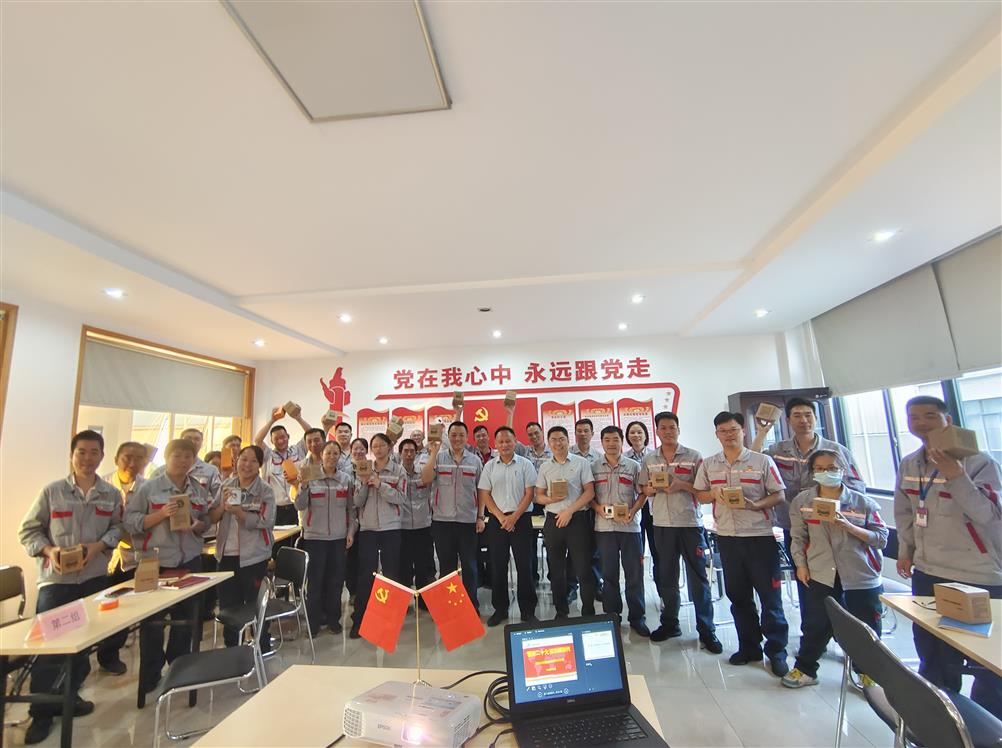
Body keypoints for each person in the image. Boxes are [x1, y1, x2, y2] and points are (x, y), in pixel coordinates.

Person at [895, 395, 1002, 717]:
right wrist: (906, 550)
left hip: (978, 574)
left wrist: (955, 474)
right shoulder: (910, 463)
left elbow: (989, 516)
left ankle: (988, 726)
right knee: (933, 652)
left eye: (930, 416)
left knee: (987, 659)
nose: (921, 423)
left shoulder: (979, 462)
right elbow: (905, 512)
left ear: (948, 420)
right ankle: (937, 719)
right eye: (914, 418)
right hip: (928, 571)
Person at [17, 430, 122, 745]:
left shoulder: (110, 494)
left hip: (93, 580)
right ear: (72, 455)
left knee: (82, 645)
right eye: (81, 452)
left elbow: (118, 527)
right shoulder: (53, 491)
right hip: (57, 583)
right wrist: (50, 551)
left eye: (94, 452)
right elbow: (29, 531)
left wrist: (99, 545)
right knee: (50, 648)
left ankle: (70, 697)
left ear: (102, 456)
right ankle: (41, 713)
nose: (87, 458)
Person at [694, 411, 789, 677]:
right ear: (717, 434)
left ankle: (777, 651)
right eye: (723, 431)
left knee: (770, 598)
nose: (729, 435)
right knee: (738, 596)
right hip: (727, 537)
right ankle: (749, 647)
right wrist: (713, 493)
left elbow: (779, 494)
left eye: (733, 429)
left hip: (759, 537)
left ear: (743, 431)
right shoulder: (709, 464)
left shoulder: (761, 461)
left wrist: (756, 505)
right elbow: (700, 495)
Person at [784, 450, 888, 688]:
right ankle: (805, 669)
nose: (826, 472)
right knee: (816, 624)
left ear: (842, 470)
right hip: (821, 572)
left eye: (831, 468)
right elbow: (798, 537)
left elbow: (881, 539)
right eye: (819, 468)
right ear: (812, 472)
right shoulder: (803, 502)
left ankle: (868, 672)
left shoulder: (862, 502)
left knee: (866, 627)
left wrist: (849, 526)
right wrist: (800, 565)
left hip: (860, 574)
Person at [764, 398, 865, 636]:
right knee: (805, 580)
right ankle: (813, 635)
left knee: (837, 582)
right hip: (795, 527)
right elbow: (756, 460)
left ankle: (842, 635)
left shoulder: (835, 451)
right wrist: (761, 431)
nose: (803, 420)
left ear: (815, 417)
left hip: (833, 527)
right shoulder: (778, 450)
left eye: (808, 414)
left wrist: (835, 505)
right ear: (788, 420)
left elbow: (857, 488)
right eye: (797, 415)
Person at [125, 438, 211, 694]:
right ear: (166, 457)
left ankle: (178, 667)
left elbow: (205, 521)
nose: (183, 461)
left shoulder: (197, 489)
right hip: (156, 562)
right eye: (177, 456)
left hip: (190, 560)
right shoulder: (148, 488)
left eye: (188, 457)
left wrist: (197, 525)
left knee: (186, 620)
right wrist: (161, 514)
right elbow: (130, 522)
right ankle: (151, 674)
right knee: (153, 623)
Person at [638, 412, 721, 651]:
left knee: (698, 579)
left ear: (678, 429)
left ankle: (707, 630)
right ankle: (670, 623)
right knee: (667, 577)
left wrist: (681, 485)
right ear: (657, 431)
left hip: (690, 525)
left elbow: (703, 491)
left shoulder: (694, 456)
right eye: (663, 428)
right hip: (662, 525)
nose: (668, 432)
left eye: (672, 427)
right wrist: (652, 488)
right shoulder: (649, 458)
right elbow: (643, 488)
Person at [208, 445, 276, 650]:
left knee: (255, 602)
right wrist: (223, 507)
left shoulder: (265, 490)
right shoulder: (226, 486)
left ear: (259, 465)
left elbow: (267, 521)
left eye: (253, 461)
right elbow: (212, 517)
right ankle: (232, 647)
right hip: (226, 554)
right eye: (243, 459)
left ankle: (261, 644)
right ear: (236, 461)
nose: (247, 465)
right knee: (228, 604)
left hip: (254, 556)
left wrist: (239, 513)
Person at [420, 421, 484, 613]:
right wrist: (433, 452)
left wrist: (480, 516)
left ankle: (471, 606)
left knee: (470, 566)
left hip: (468, 521)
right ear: (448, 437)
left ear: (467, 438)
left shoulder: (475, 461)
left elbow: (481, 491)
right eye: (453, 435)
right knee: (446, 567)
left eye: (461, 435)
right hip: (442, 522)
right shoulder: (438, 458)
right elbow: (425, 479)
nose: (457, 439)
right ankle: (448, 608)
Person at [591, 426, 649, 636]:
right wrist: (598, 508)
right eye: (607, 439)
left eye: (615, 439)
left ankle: (637, 618)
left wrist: (633, 511)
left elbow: (642, 493)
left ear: (622, 441)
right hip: (604, 528)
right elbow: (588, 495)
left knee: (634, 574)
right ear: (602, 443)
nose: (611, 443)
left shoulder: (633, 466)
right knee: (609, 574)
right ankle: (612, 615)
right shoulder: (593, 467)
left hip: (630, 528)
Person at [97, 440, 149, 675]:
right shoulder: (103, 486)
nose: (132, 462)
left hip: (136, 557)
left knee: (126, 608)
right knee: (102, 607)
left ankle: (110, 654)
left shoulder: (149, 487)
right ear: (116, 459)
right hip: (104, 558)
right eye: (127, 457)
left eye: (139, 458)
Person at [479, 426, 538, 626]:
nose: (504, 444)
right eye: (501, 441)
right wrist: (500, 516)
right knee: (498, 566)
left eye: (508, 441)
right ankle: (500, 609)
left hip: (521, 519)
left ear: (515, 442)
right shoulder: (490, 466)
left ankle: (527, 610)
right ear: (495, 444)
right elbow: (485, 494)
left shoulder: (525, 464)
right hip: (497, 520)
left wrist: (514, 517)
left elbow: (529, 493)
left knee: (524, 566)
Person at [294, 440, 355, 635]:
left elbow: (351, 509)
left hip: (338, 538)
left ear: (340, 457)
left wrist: (350, 532)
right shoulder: (310, 476)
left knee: (336, 581)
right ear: (322, 455)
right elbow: (300, 505)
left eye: (335, 453)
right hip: (315, 538)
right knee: (315, 582)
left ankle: (333, 619)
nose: (332, 457)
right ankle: (313, 623)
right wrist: (303, 486)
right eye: (328, 453)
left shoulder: (346, 479)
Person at [536, 426, 596, 620]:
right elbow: (539, 496)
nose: (558, 443)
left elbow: (589, 492)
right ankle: (561, 611)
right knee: (556, 569)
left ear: (568, 441)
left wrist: (569, 511)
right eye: (553, 439)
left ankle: (588, 611)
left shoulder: (581, 463)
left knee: (583, 568)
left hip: (577, 520)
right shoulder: (545, 467)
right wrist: (551, 499)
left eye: (561, 439)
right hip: (553, 520)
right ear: (549, 443)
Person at [351, 433, 406, 638]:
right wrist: (365, 483)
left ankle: (392, 620)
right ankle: (360, 621)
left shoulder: (399, 470)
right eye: (374, 446)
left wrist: (380, 484)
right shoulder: (363, 468)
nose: (378, 449)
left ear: (389, 447)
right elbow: (357, 502)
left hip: (391, 528)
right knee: (366, 575)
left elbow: (401, 498)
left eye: (381, 445)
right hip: (368, 530)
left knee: (391, 575)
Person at [254, 404, 313, 525]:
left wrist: (298, 418)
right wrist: (272, 420)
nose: (280, 441)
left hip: (296, 505)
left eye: (283, 437)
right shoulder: (267, 455)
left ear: (288, 436)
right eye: (276, 439)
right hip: (273, 507)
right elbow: (258, 440)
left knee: (295, 535)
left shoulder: (298, 450)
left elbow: (311, 434)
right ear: (271, 441)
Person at [624, 420, 659, 598]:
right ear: (627, 437)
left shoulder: (655, 457)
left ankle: (662, 595)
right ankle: (638, 595)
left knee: (658, 553)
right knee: (636, 556)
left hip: (654, 510)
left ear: (646, 435)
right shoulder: (624, 458)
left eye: (639, 432)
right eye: (632, 432)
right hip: (634, 510)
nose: (636, 435)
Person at [398, 438, 436, 595]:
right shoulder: (396, 473)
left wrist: (434, 451)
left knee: (425, 566)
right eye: (405, 451)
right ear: (400, 453)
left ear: (416, 453)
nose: (409, 454)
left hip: (423, 527)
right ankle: (403, 602)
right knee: (403, 567)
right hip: (402, 527)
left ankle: (424, 600)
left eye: (412, 451)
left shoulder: (424, 472)